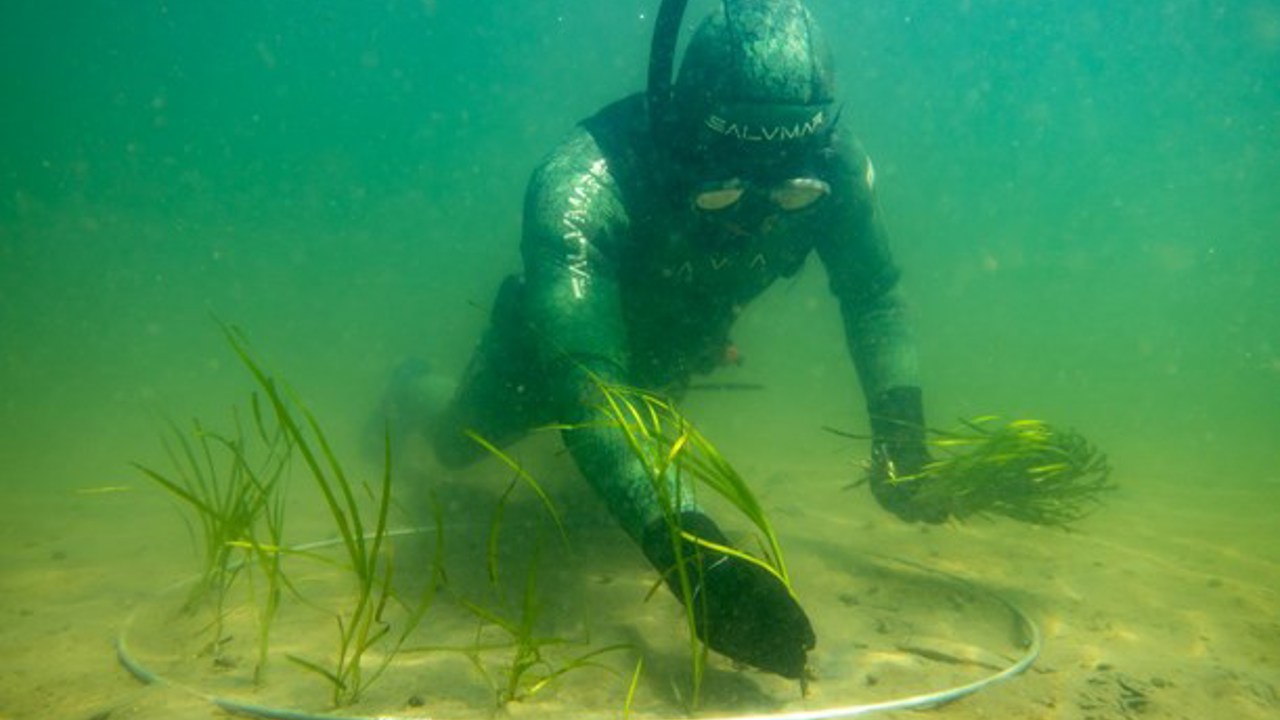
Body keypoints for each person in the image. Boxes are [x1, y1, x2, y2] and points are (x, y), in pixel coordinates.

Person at [390, 0, 942, 680]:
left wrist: (902, 430)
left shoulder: (832, 167)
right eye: (729, 186)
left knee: (608, 490)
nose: (761, 208)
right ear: (683, 136)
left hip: (674, 348)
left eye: (788, 186)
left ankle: (603, 479)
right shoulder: (582, 188)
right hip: (547, 356)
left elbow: (874, 295)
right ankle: (408, 388)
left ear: (815, 140)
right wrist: (698, 561)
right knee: (456, 446)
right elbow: (592, 389)